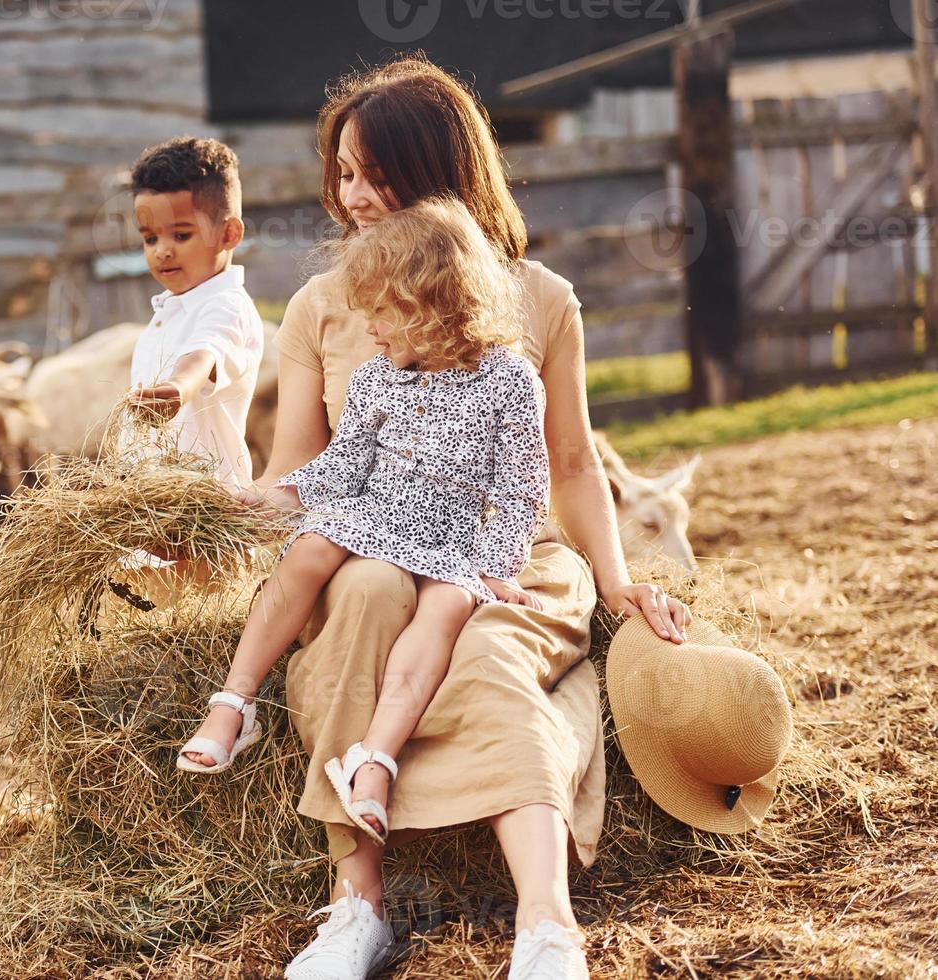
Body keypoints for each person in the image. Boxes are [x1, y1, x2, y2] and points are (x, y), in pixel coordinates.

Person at [253, 58, 692, 980]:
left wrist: (618, 587)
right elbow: (297, 469)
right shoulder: (319, 308)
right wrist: (209, 516)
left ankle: (544, 926)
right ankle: (356, 910)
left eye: (376, 172)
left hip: (506, 546)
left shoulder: (539, 297)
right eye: (342, 171)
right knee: (364, 597)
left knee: (489, 647)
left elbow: (570, 464)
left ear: (443, 170)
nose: (355, 195)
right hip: (374, 538)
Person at [177, 199, 550, 864]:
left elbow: (520, 488)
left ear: (433, 302)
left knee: (446, 609)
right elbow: (345, 467)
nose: (369, 328)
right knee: (312, 549)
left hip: (450, 538)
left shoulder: (509, 380)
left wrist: (497, 566)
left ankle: (374, 759)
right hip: (373, 515)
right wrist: (278, 497)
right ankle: (234, 704)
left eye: (381, 310)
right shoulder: (378, 378)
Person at [123, 136, 264, 489]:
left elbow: (205, 353)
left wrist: (178, 387)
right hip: (157, 505)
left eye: (181, 235)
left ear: (229, 233)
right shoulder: (168, 312)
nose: (162, 252)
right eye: (150, 239)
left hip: (204, 509)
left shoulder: (227, 306)